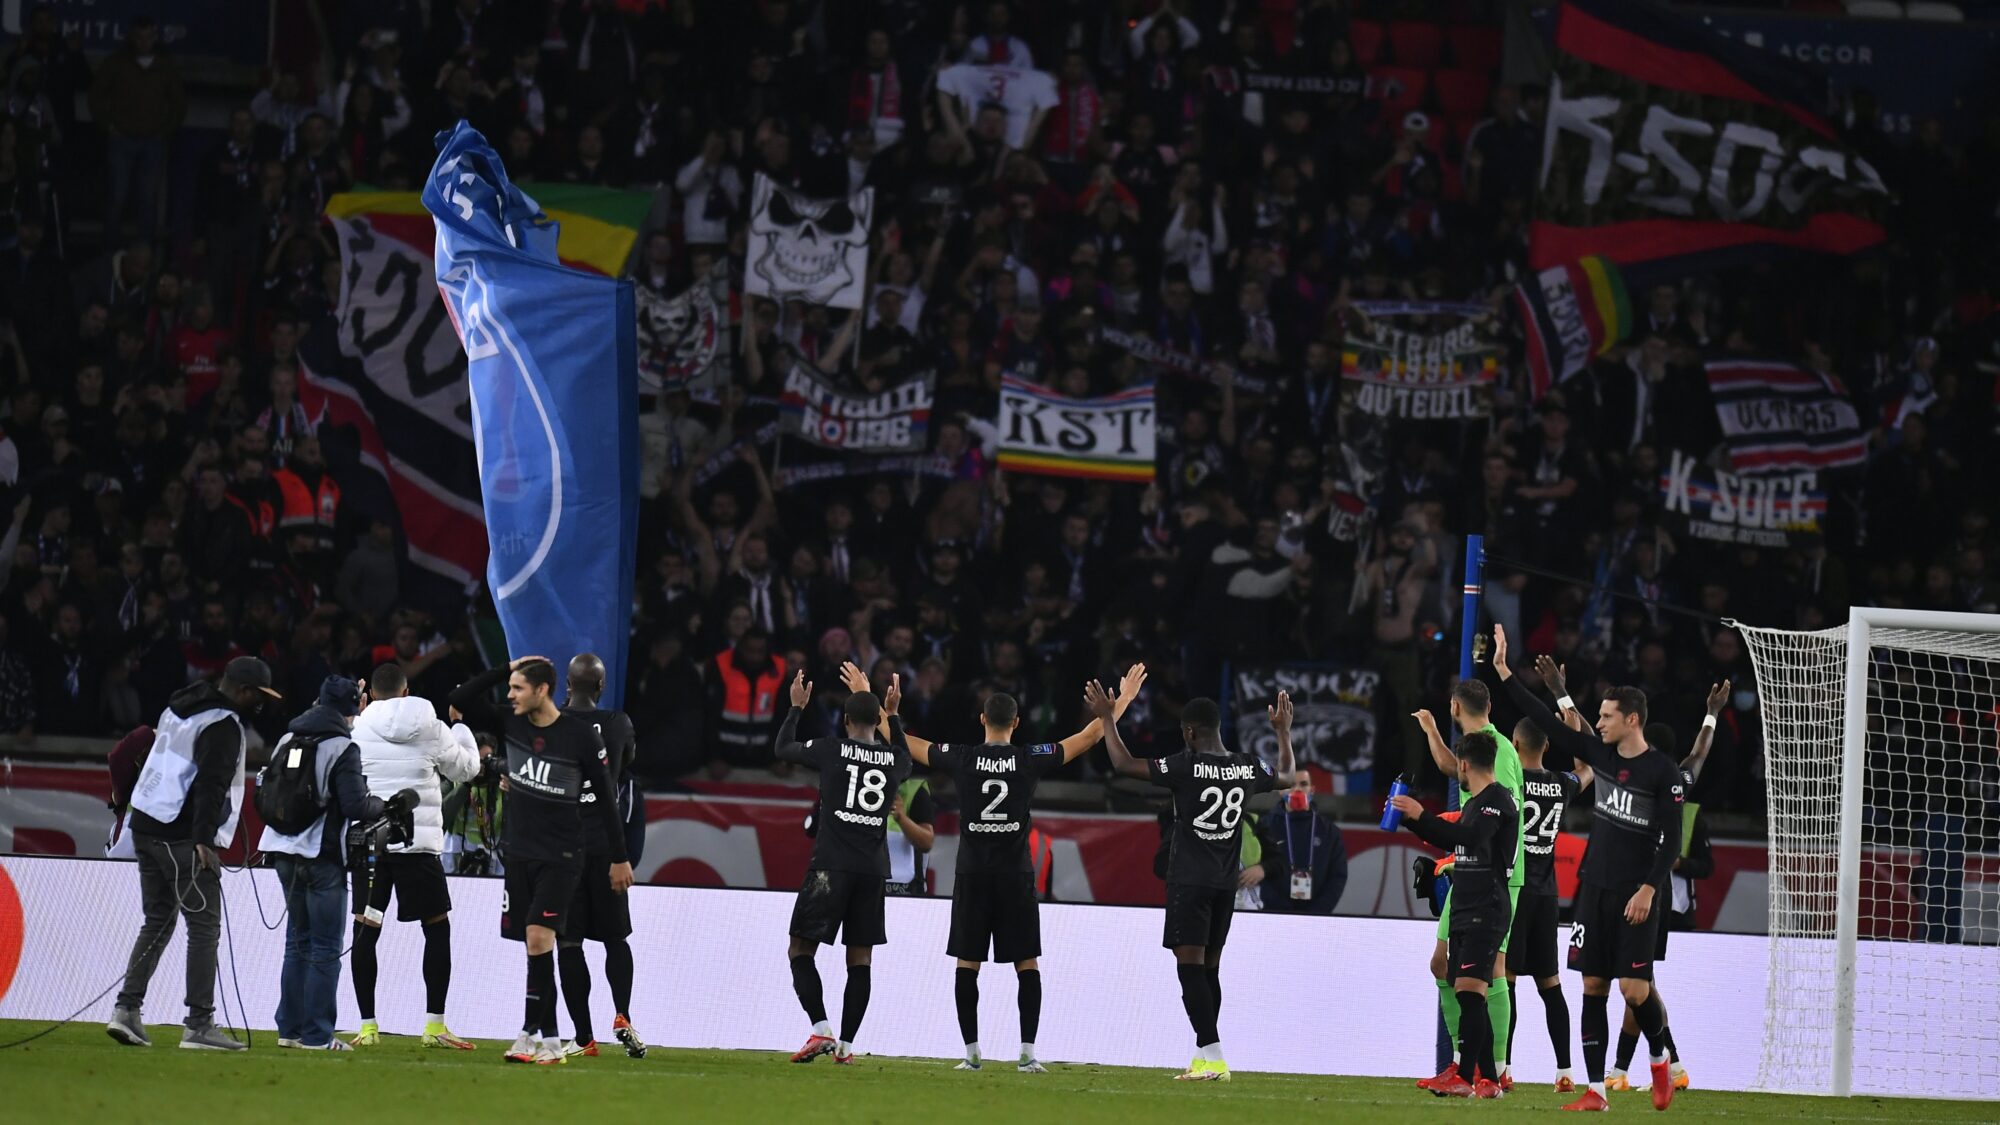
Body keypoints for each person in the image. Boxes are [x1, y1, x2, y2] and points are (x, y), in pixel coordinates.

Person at [852, 660, 1146, 1072]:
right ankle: (1027, 1054)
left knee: (967, 963)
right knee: (1026, 963)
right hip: (1016, 874)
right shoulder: (1031, 757)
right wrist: (1126, 697)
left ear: (982, 720)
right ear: (1017, 722)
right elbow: (1090, 735)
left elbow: (909, 743)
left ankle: (971, 1055)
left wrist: (874, 701)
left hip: (973, 873)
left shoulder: (962, 757)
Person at [1496, 626, 1682, 1112]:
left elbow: (1673, 841)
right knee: (1593, 986)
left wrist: (1648, 889)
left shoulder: (1662, 773)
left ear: (1632, 720)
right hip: (1593, 890)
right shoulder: (1600, 757)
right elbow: (1547, 722)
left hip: (1636, 893)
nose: (1597, 723)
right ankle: (1596, 1091)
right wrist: (1503, 674)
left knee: (1634, 988)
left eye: (1605, 716)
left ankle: (1660, 1059)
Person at [1091, 682, 1295, 1083]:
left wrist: (1105, 718)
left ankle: (1214, 1055)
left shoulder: (1185, 766)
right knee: (1210, 971)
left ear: (1189, 732)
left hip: (1189, 880)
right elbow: (1287, 776)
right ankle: (1205, 1056)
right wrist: (1283, 731)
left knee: (1189, 970)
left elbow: (1124, 764)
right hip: (1225, 885)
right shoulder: (1249, 765)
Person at [449, 655, 633, 1066]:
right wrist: (508, 667)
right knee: (535, 947)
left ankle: (535, 1035)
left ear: (543, 690)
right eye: (510, 688)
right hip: (519, 853)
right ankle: (543, 1037)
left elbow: (607, 798)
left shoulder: (580, 736)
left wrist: (620, 858)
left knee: (541, 938)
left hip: (562, 855)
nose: (510, 695)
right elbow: (460, 698)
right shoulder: (512, 723)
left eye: (517, 688)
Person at [108, 656, 281, 1051]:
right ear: (242, 690)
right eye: (259, 695)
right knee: (203, 928)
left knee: (156, 921)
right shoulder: (223, 725)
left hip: (146, 823)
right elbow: (211, 785)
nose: (261, 704)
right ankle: (199, 1024)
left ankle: (126, 1011)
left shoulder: (180, 706)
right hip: (183, 834)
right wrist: (204, 839)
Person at [773, 669, 912, 1066]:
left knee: (800, 948)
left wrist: (796, 708)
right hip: (871, 870)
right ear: (877, 722)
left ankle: (821, 1030)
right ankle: (847, 1048)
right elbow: (905, 757)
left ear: (846, 721)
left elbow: (783, 748)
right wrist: (895, 716)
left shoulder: (831, 749)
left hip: (830, 866)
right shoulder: (894, 760)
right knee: (860, 959)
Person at [347, 661, 483, 1049]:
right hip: (417, 845)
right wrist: (460, 727)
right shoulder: (433, 726)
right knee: (436, 928)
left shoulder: (358, 727)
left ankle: (368, 1028)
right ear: (406, 692)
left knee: (365, 929)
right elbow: (468, 770)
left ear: (371, 695)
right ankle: (434, 1027)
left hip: (370, 842)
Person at [259, 676, 393, 1050]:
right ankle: (317, 1034)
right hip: (320, 854)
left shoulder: (289, 738)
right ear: (351, 709)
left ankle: (289, 1030)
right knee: (324, 946)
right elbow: (354, 805)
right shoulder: (342, 747)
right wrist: (382, 805)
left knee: (296, 942)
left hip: (281, 850)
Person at [1391, 729, 1519, 1100]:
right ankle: (1489, 1082)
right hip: (1468, 905)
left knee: (1470, 991)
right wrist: (1412, 820)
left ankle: (1464, 1076)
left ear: (1463, 765)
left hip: (1486, 908)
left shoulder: (1496, 801)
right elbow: (1457, 837)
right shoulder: (1477, 802)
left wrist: (1420, 816)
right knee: (1470, 993)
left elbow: (1465, 837)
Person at [553, 653, 647, 1060]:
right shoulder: (618, 723)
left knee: (569, 943)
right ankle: (623, 1014)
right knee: (615, 938)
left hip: (563, 848)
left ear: (567, 687)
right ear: (602, 687)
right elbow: (624, 768)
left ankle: (584, 1036)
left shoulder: (549, 723)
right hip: (608, 847)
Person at [1497, 713, 1580, 1090]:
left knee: (1506, 983)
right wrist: (1575, 732)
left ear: (1514, 746)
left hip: (1516, 892)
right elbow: (1588, 770)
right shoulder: (1562, 783)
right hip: (1548, 895)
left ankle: (1504, 1068)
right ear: (1547, 746)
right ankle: (1565, 1072)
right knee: (1551, 985)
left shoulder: (1510, 784)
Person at [1254, 771, 1347, 915]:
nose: (1297, 789)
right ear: (1280, 791)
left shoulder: (1329, 832)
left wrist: (1319, 911)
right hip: (1274, 913)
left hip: (1317, 916)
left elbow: (1337, 876)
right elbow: (1257, 871)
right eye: (1291, 785)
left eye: (1303, 784)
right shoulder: (1264, 827)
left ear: (1312, 790)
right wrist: (1277, 908)